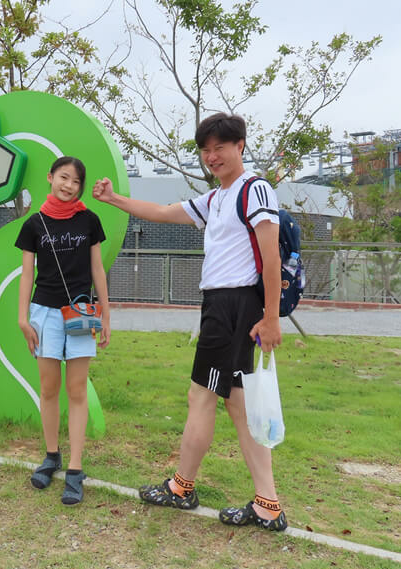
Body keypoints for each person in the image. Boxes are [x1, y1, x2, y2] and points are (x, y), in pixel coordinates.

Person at [92, 113, 288, 531]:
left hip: (234, 305)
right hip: (224, 305)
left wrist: (271, 318)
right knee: (237, 403)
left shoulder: (254, 190)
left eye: (219, 147)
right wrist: (113, 200)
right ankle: (267, 505)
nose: (211, 156)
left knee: (202, 396)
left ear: (240, 146)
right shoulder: (217, 197)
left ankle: (183, 487)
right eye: (205, 149)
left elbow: (271, 258)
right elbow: (163, 211)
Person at [15, 156, 112, 505]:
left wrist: (107, 312)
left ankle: (74, 468)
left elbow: (97, 269)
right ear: (50, 177)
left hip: (81, 312)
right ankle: (51, 455)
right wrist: (23, 317)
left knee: (77, 390)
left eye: (75, 181)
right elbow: (27, 274)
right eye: (63, 177)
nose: (69, 185)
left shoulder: (89, 220)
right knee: (48, 388)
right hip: (44, 311)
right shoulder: (33, 224)